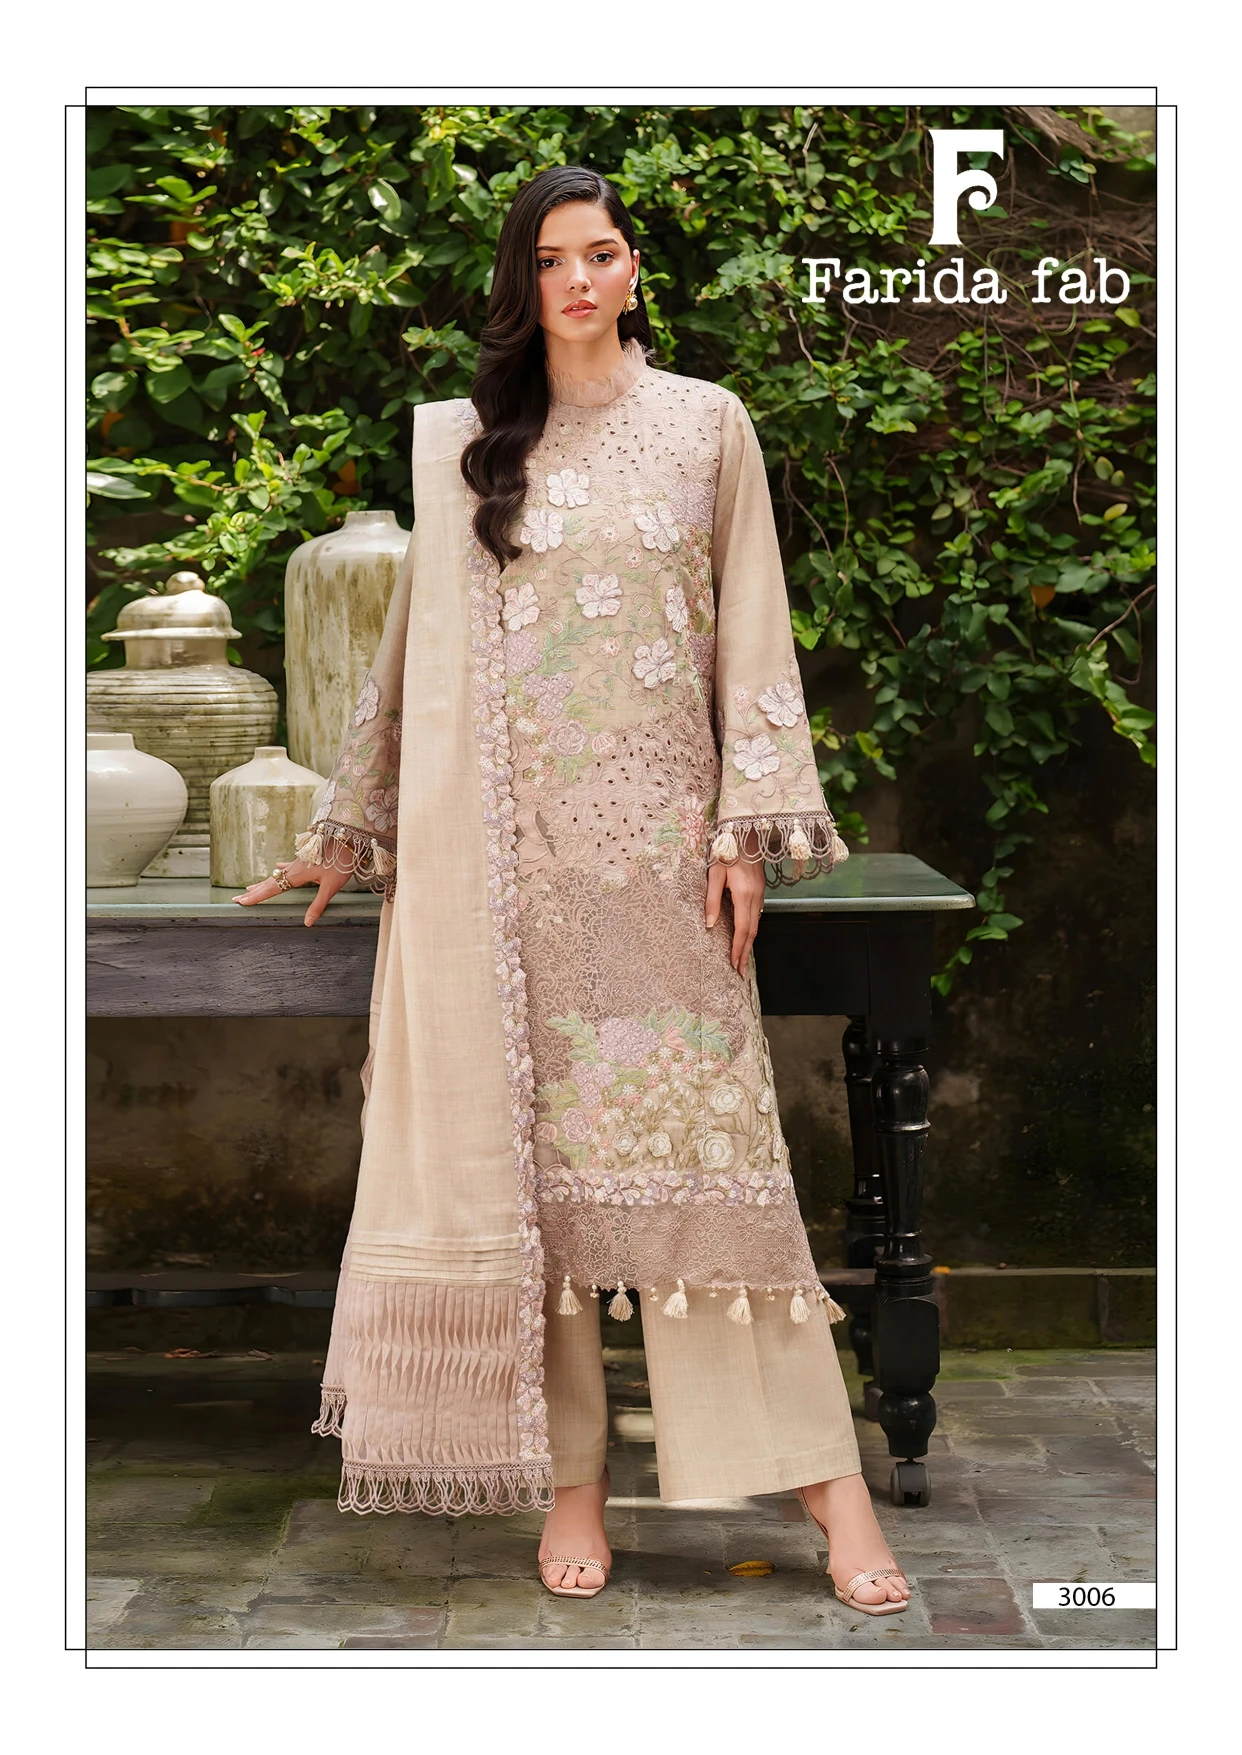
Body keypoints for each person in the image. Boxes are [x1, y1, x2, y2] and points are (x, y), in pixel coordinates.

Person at [236, 165, 910, 1617]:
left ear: (633, 267)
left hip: (662, 873)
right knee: (536, 1199)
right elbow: (410, 652)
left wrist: (743, 834)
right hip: (508, 884)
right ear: (521, 283)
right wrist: (351, 828)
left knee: (719, 1183)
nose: (580, 281)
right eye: (551, 261)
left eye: (600, 253)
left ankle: (828, 1490)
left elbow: (751, 627)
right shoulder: (469, 446)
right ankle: (574, 1488)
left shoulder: (706, 424)